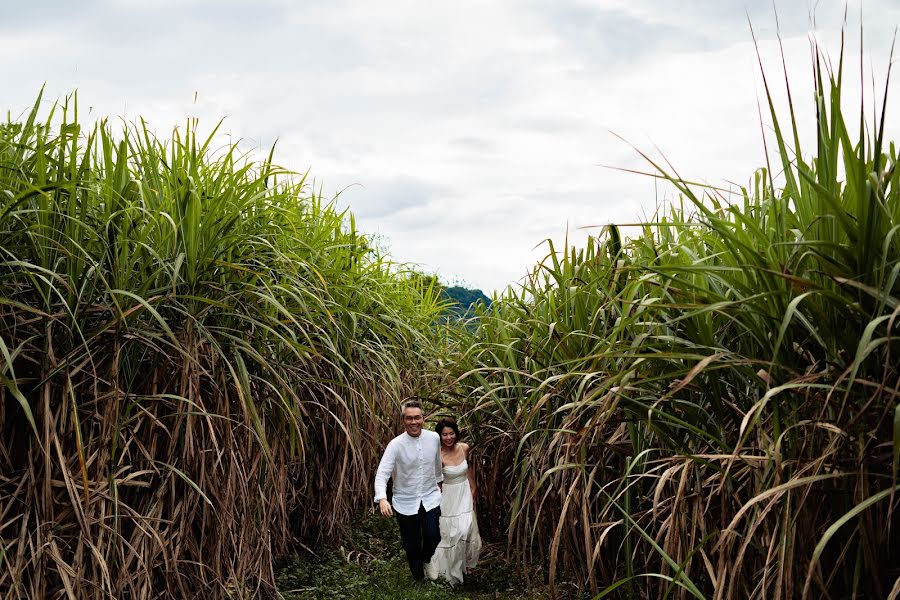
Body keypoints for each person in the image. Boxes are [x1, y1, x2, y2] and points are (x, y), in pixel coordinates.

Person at [374, 400, 443, 581]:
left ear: (423, 418)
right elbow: (382, 473)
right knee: (411, 545)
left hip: (430, 497)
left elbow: (436, 463)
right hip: (405, 502)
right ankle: (418, 579)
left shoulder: (434, 438)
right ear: (403, 420)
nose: (414, 422)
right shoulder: (395, 445)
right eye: (409, 418)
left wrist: (439, 481)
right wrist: (382, 498)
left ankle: (426, 558)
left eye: (417, 418)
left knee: (432, 536)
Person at [425, 417, 482, 585]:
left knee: (466, 529)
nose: (448, 438)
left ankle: (466, 563)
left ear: (456, 434)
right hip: (447, 495)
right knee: (450, 533)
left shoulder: (464, 448)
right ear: (439, 436)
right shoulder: (437, 455)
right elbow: (434, 479)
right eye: (444, 435)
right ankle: (447, 571)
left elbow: (468, 467)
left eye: (451, 434)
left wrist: (473, 486)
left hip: (464, 492)